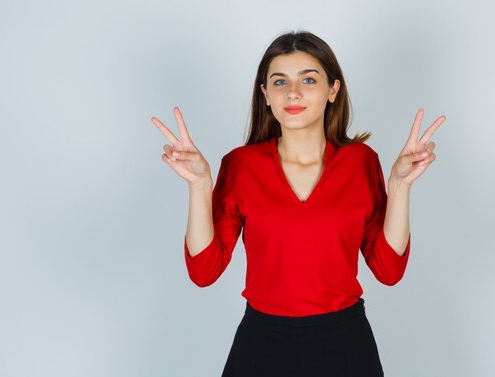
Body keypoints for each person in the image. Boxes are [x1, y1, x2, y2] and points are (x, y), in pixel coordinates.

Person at [151, 30, 445, 377]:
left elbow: (389, 270)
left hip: (345, 345)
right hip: (261, 344)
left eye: (308, 79)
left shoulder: (361, 162)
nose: (293, 92)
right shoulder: (241, 166)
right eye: (279, 81)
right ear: (265, 94)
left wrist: (399, 186)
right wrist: (199, 185)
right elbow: (204, 271)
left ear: (333, 89)